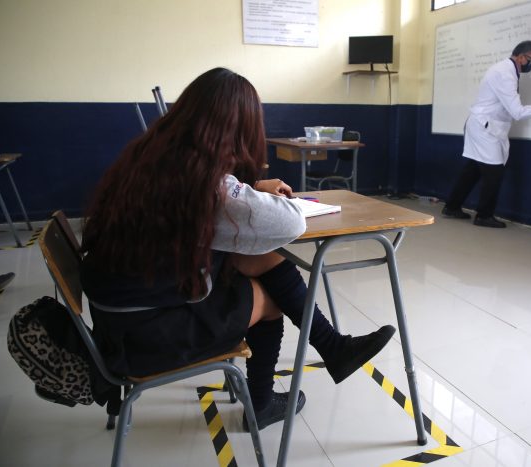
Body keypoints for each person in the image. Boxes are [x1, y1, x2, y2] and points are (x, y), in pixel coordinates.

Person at [79, 67, 395, 432]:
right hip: (145, 335)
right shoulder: (207, 185)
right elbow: (291, 222)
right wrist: (252, 192)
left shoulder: (153, 157)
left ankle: (333, 347)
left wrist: (250, 186)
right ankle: (261, 403)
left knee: (259, 258)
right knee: (270, 298)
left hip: (117, 317)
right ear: (234, 130)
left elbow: (217, 209)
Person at [442, 40, 531, 228]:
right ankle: (484, 216)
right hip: (485, 126)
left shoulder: (507, 71)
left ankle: (451, 206)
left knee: (474, 169)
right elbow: (517, 112)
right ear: (521, 57)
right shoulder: (505, 74)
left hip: (483, 125)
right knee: (494, 172)